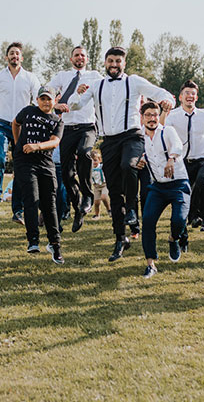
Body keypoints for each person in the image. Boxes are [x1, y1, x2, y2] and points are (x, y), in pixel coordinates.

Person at [67, 46, 174, 262]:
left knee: (129, 165)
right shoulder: (96, 85)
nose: (114, 65)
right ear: (105, 63)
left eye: (118, 61)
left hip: (132, 136)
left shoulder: (133, 81)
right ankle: (120, 239)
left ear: (123, 64)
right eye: (110, 61)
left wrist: (166, 100)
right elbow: (75, 106)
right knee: (114, 192)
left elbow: (158, 92)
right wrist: (76, 95)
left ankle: (132, 210)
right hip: (109, 142)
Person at [0, 42, 42, 225]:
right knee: (0, 159)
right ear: (6, 57)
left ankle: (17, 211)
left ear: (22, 57)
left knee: (20, 167)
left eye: (17, 54)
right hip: (2, 124)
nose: (14, 56)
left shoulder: (30, 78)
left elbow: (39, 100)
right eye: (11, 53)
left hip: (22, 125)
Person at [48, 45, 102, 233]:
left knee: (85, 153)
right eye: (76, 55)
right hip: (67, 128)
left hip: (87, 126)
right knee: (66, 172)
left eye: (83, 55)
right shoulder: (62, 76)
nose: (80, 58)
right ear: (71, 59)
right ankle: (77, 205)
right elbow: (46, 92)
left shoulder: (95, 76)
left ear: (87, 59)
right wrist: (57, 103)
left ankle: (87, 196)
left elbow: (109, 90)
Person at [12, 86, 65, 265]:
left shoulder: (57, 120)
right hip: (25, 161)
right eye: (42, 98)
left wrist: (36, 146)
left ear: (54, 101)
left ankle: (55, 244)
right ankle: (33, 240)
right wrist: (18, 143)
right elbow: (15, 123)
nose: (45, 102)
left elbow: (55, 141)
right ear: (37, 99)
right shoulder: (28, 111)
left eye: (49, 99)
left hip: (45, 162)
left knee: (50, 203)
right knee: (31, 198)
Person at [138, 102, 190, 278]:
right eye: (148, 115)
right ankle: (150, 263)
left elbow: (177, 145)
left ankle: (173, 239)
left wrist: (171, 159)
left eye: (155, 115)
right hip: (158, 187)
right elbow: (135, 155)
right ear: (142, 117)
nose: (152, 119)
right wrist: (138, 161)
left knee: (179, 220)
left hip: (179, 184)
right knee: (148, 221)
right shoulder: (139, 136)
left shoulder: (167, 131)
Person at [165, 80, 204, 233]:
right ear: (180, 97)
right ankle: (191, 217)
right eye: (187, 93)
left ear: (196, 98)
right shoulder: (173, 115)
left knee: (202, 181)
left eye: (193, 94)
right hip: (182, 161)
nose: (190, 96)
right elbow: (164, 133)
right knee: (185, 189)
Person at [91, 150, 109, 219]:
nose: (93, 162)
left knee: (104, 197)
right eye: (91, 161)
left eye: (95, 160)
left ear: (100, 160)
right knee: (96, 202)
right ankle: (97, 215)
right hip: (96, 186)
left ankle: (109, 209)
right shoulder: (90, 169)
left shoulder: (101, 167)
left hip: (104, 185)